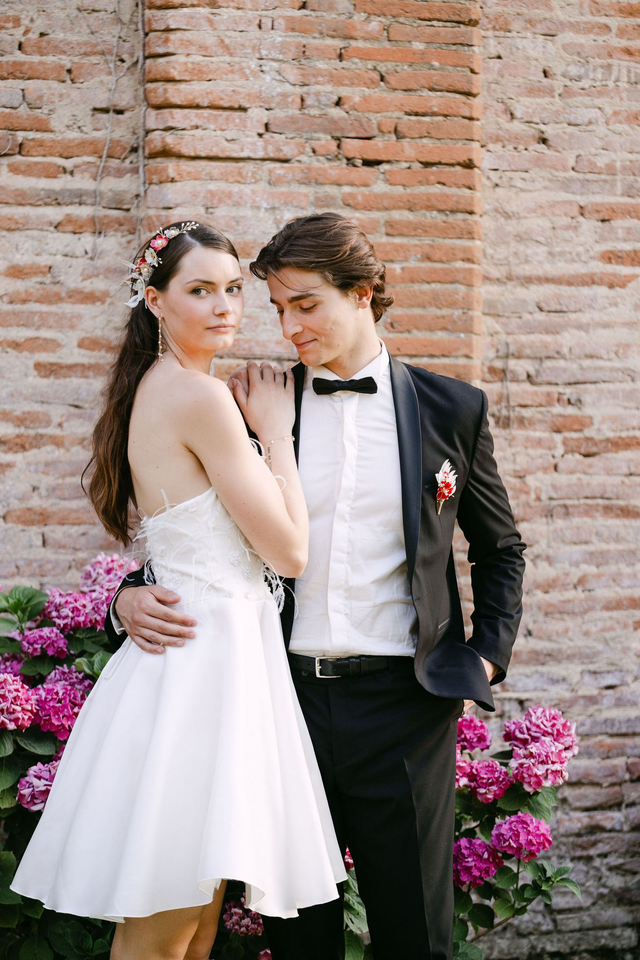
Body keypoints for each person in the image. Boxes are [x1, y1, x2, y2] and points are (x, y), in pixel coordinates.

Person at [106, 213, 526, 960]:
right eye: (276, 306)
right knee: (298, 938)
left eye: (306, 305)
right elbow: (204, 535)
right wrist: (127, 597)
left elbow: (500, 548)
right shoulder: (254, 405)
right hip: (281, 699)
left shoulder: (452, 410)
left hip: (405, 704)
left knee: (417, 934)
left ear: (362, 294)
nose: (287, 325)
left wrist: (484, 658)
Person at [11, 221, 347, 960]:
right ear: (155, 301)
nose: (225, 306)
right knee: (164, 937)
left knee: (192, 932)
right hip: (202, 676)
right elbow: (288, 553)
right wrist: (278, 436)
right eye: (200, 290)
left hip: (216, 667)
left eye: (233, 289)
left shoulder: (164, 387)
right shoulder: (198, 397)